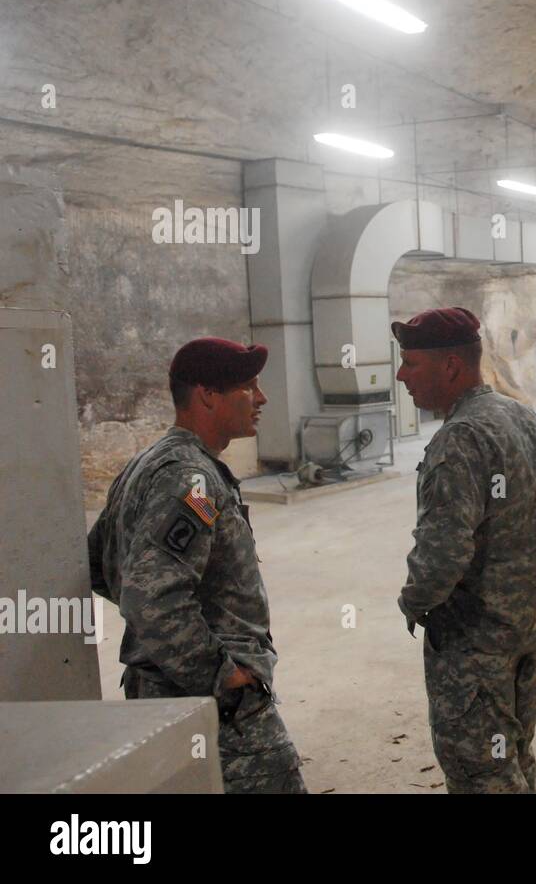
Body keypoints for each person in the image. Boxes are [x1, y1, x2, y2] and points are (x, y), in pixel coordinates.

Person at [87, 338, 306, 794]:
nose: (261, 399)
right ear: (208, 395)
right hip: (214, 705)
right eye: (248, 387)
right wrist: (222, 674)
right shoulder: (192, 480)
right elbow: (149, 596)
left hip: (167, 692)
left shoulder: (147, 464)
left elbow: (100, 563)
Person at [393, 307, 536, 793]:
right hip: (523, 625)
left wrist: (413, 599)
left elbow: (442, 553)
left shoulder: (460, 439)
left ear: (449, 366)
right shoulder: (520, 417)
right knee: (514, 751)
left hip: (475, 640)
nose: (402, 375)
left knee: (481, 771)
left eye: (411, 363)